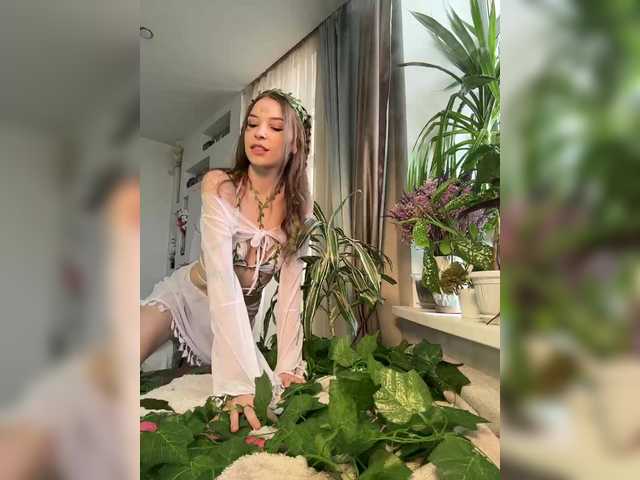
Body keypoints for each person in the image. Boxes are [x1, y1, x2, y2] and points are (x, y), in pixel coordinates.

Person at [140, 89, 313, 432]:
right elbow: (221, 279)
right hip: (187, 299)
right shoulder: (220, 185)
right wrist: (236, 384)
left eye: (275, 127)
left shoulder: (299, 208)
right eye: (252, 124)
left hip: (238, 322)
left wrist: (288, 367)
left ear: (295, 143)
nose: (259, 133)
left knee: (266, 402)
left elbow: (290, 297)